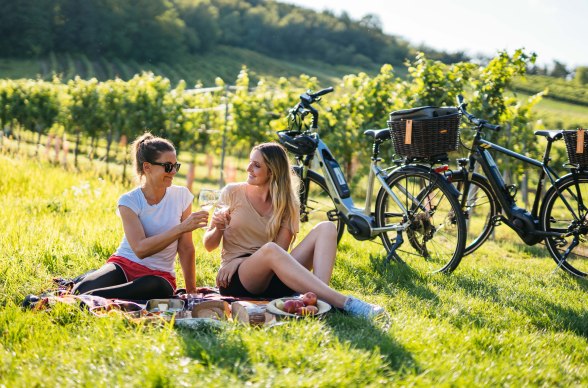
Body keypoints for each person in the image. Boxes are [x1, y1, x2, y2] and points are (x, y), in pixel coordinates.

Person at [203, 142, 384, 319]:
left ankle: (320, 301)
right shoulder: (232, 192)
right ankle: (346, 303)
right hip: (236, 279)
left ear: (272, 171)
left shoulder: (288, 203)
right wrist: (220, 231)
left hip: (276, 278)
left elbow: (281, 251)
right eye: (250, 162)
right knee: (270, 250)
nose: (248, 168)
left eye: (256, 165)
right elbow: (209, 245)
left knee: (326, 227)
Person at [70, 133, 209, 299]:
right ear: (147, 167)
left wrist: (191, 291)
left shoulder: (182, 196)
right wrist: (181, 228)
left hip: (158, 276)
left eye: (175, 166)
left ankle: (89, 297)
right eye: (167, 166)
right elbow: (140, 249)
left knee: (158, 288)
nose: (172, 172)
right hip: (124, 265)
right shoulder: (129, 201)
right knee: (80, 289)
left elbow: (186, 248)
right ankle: (86, 293)